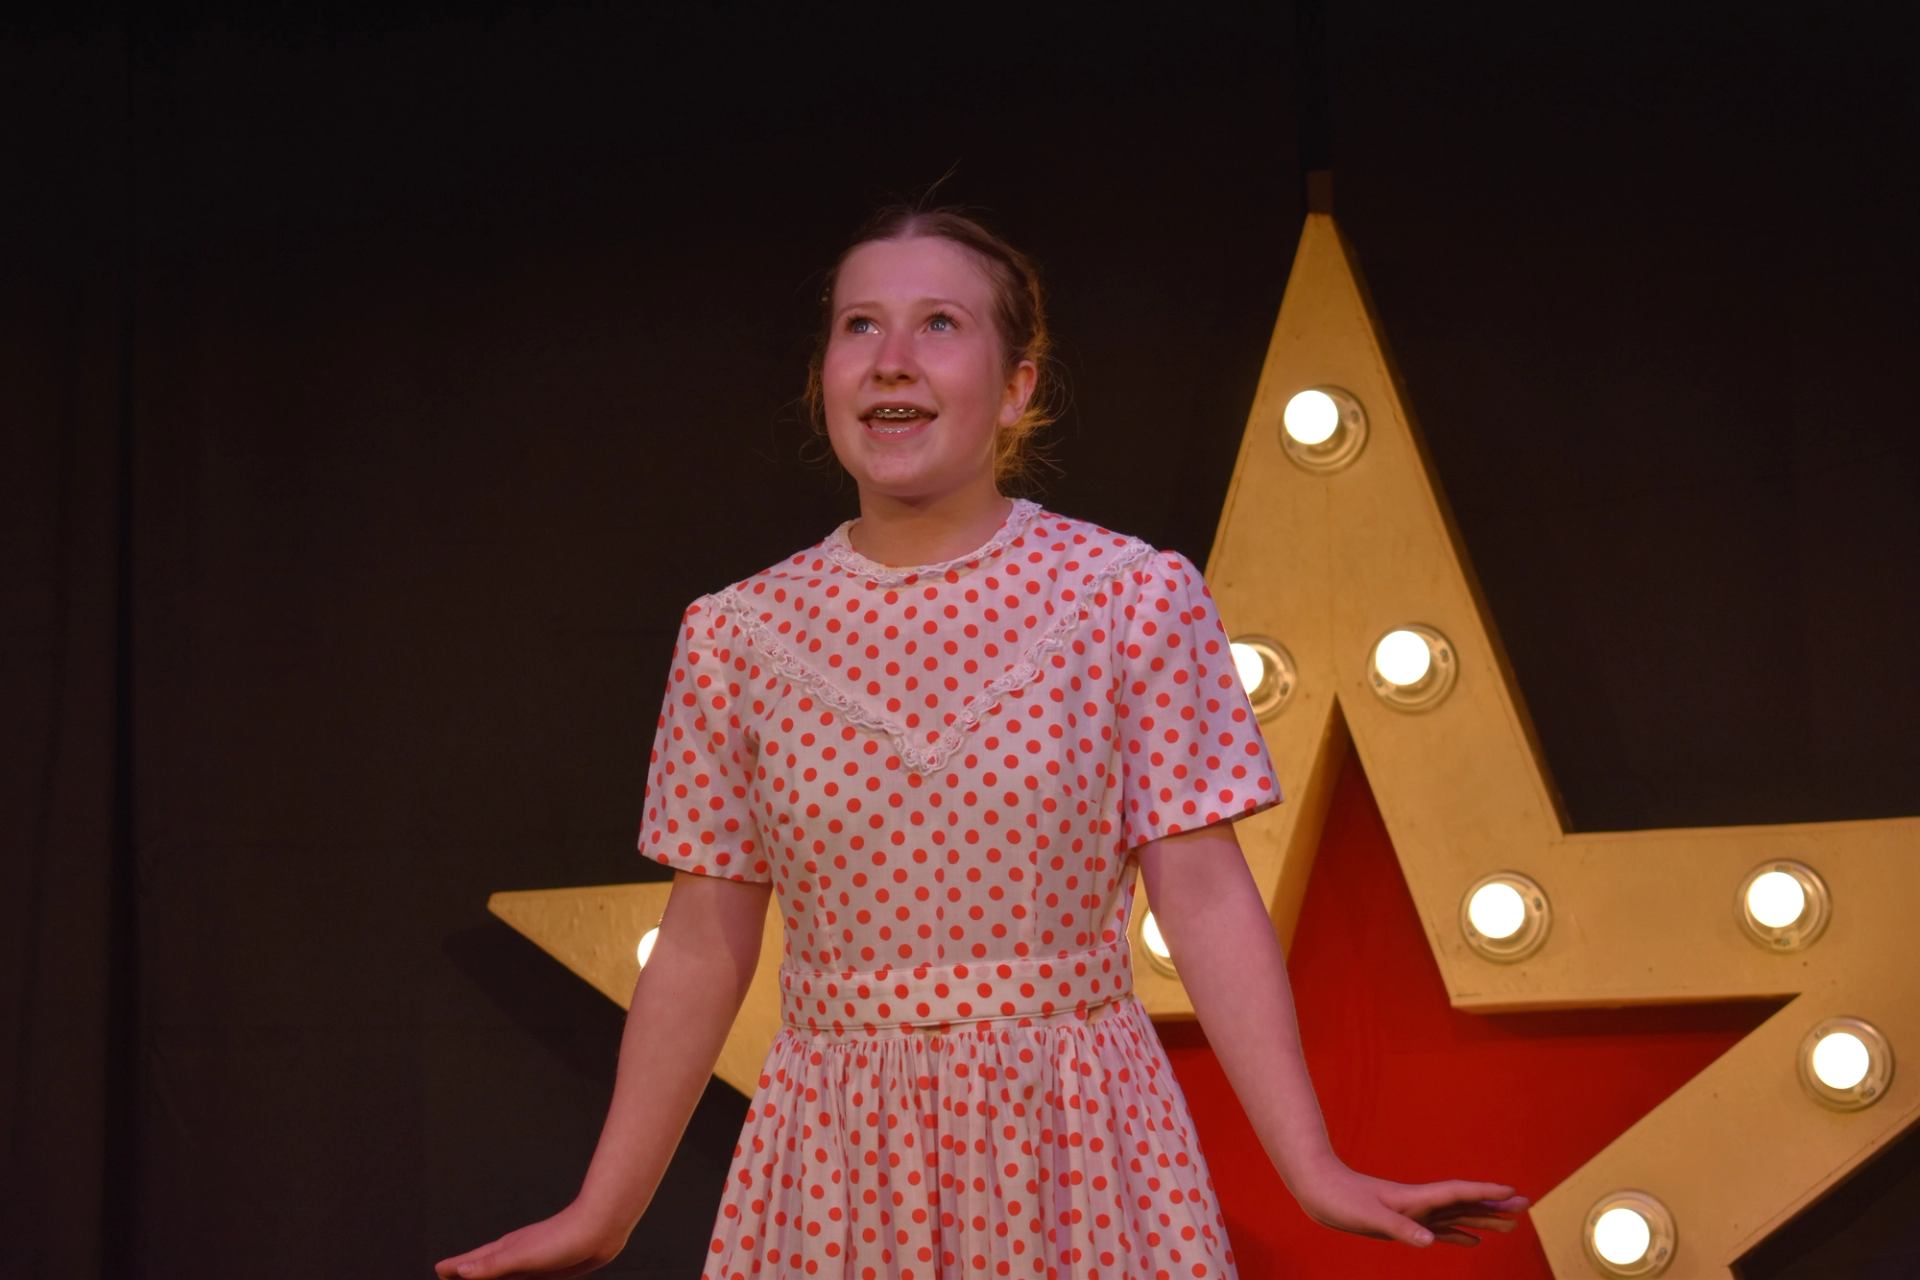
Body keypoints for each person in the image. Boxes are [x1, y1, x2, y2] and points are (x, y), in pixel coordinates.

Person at [435, 204, 1528, 1279]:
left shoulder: (1129, 599)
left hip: (1075, 1145)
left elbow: (1203, 897)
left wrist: (1313, 1167)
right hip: (837, 1159)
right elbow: (699, 943)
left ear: (1017, 388)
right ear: (823, 376)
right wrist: (604, 1211)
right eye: (860, 325)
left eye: (940, 325)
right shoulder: (738, 636)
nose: (892, 358)